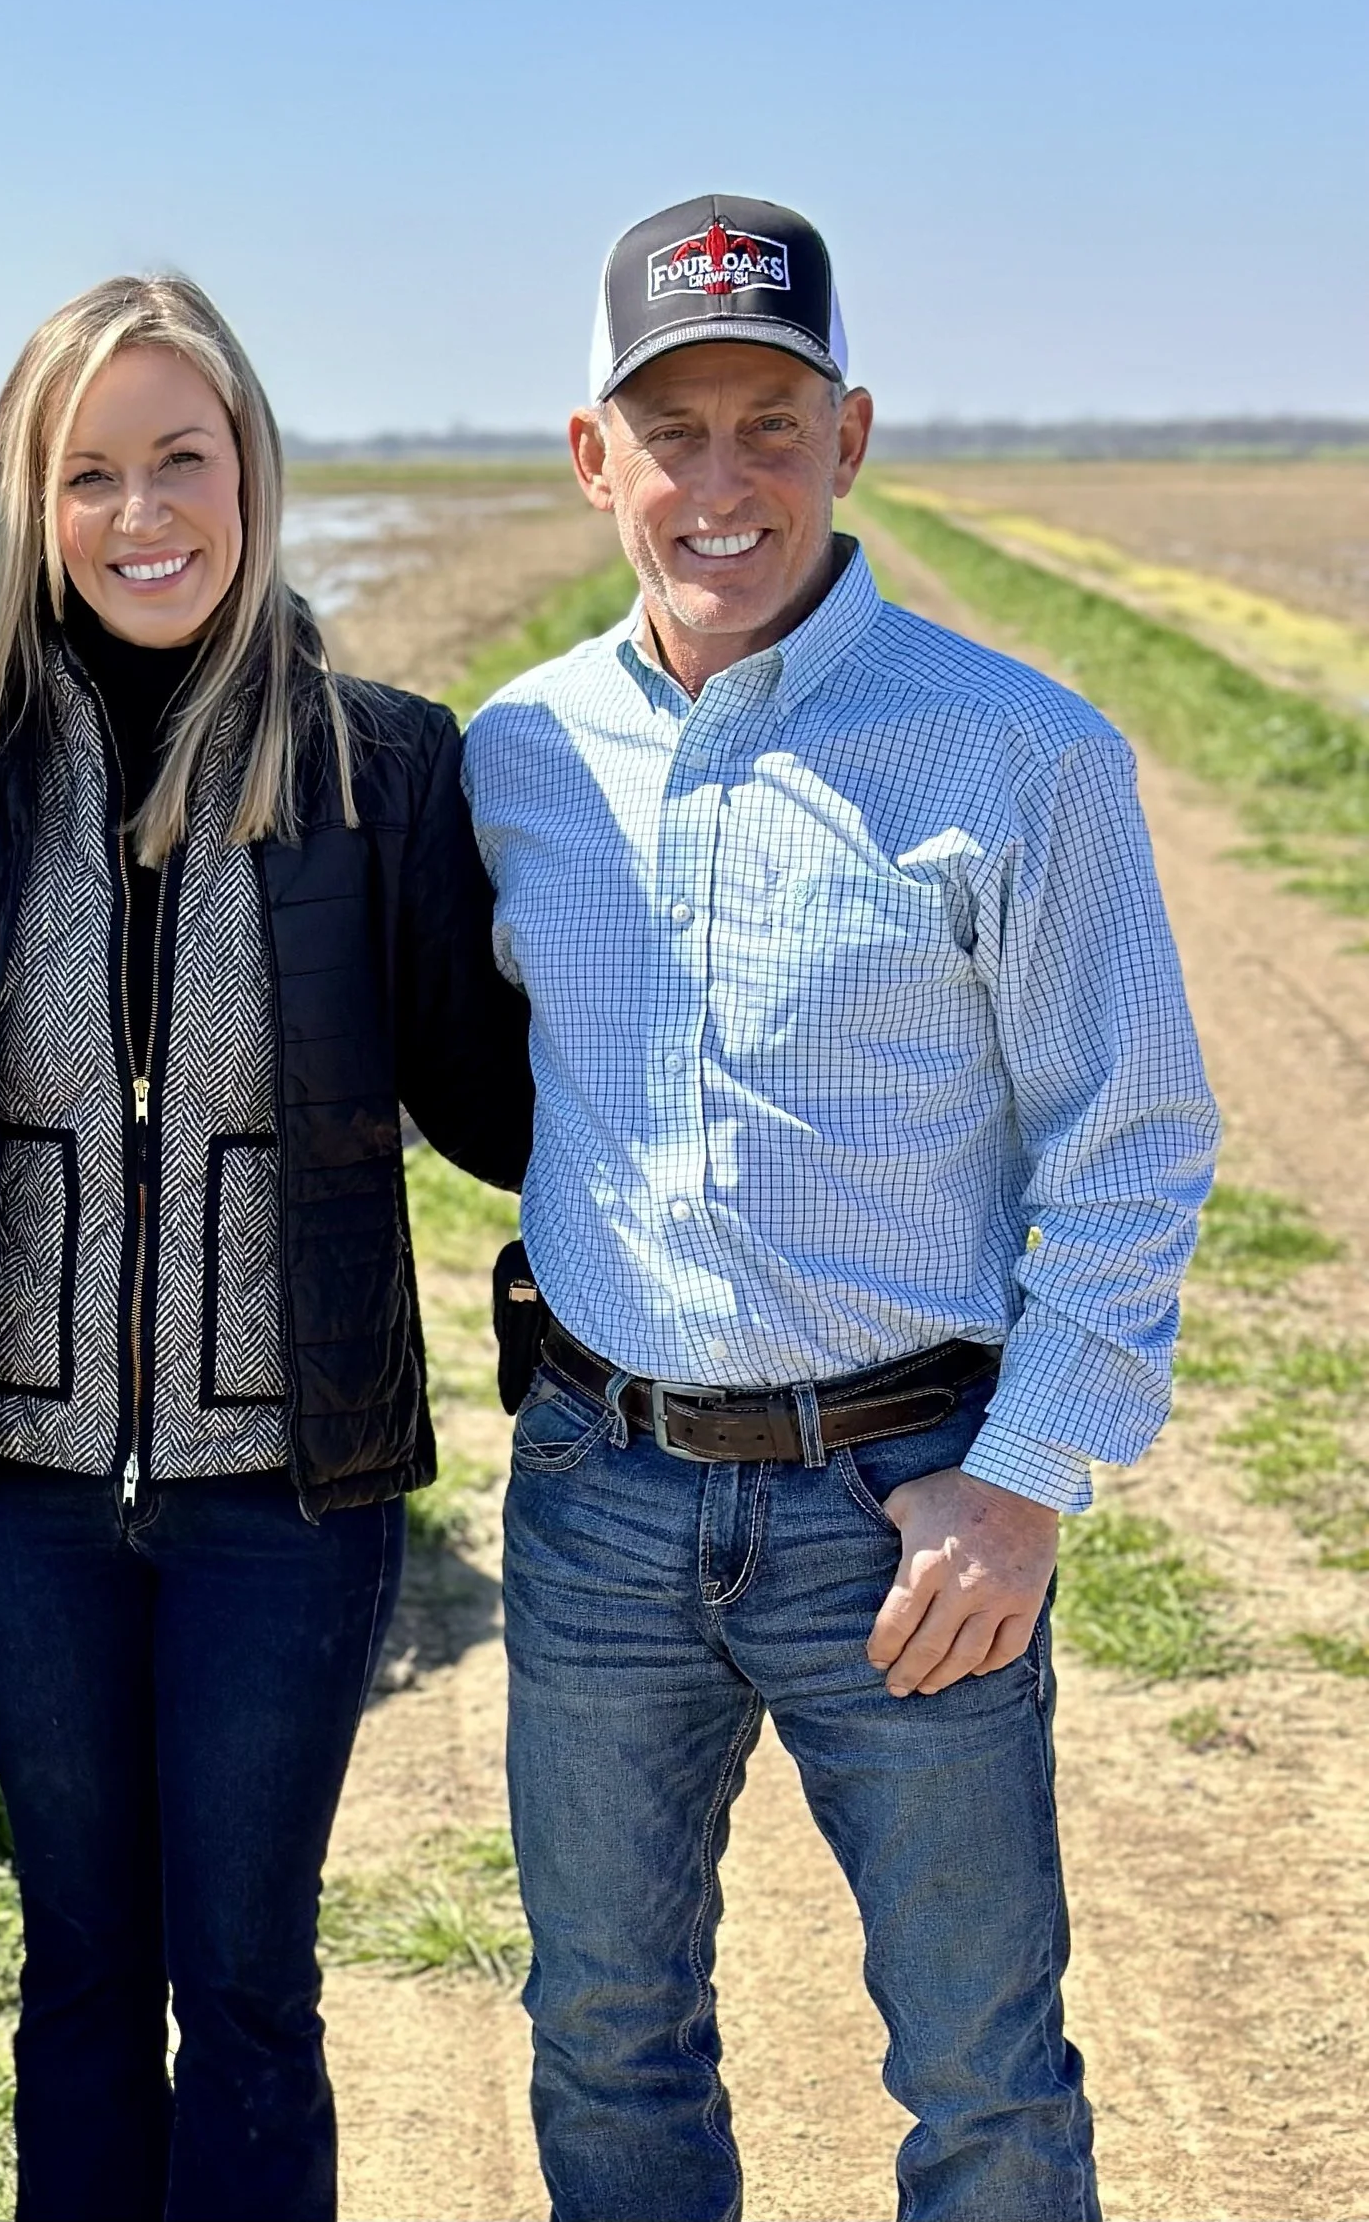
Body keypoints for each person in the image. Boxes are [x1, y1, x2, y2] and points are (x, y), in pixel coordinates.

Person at [464, 194, 1219, 2221]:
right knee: (604, 2035)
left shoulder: (1018, 751)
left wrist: (1028, 1476)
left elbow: (1131, 1137)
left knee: (979, 2072)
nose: (721, 485)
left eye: (766, 425)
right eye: (671, 431)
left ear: (849, 434)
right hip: (600, 1498)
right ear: (589, 455)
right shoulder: (514, 755)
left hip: (904, 1512)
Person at [0, 273, 534, 2221]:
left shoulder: (379, 769)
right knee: (77, 1980)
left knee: (241, 1990)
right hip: (17, 1495)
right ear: (26, 502)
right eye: (89, 472)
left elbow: (499, 1107)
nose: (141, 511)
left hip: (284, 1504)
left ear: (248, 472)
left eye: (179, 457)